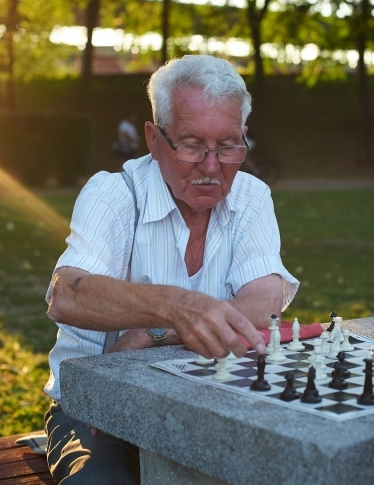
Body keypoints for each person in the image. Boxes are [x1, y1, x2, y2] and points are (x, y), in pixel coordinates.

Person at [43, 55, 299, 484]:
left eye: (229, 145)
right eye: (192, 144)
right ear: (153, 138)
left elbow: (265, 304)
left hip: (208, 399)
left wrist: (158, 332)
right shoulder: (115, 193)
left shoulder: (251, 196)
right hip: (96, 412)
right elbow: (66, 294)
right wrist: (176, 306)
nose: (213, 166)